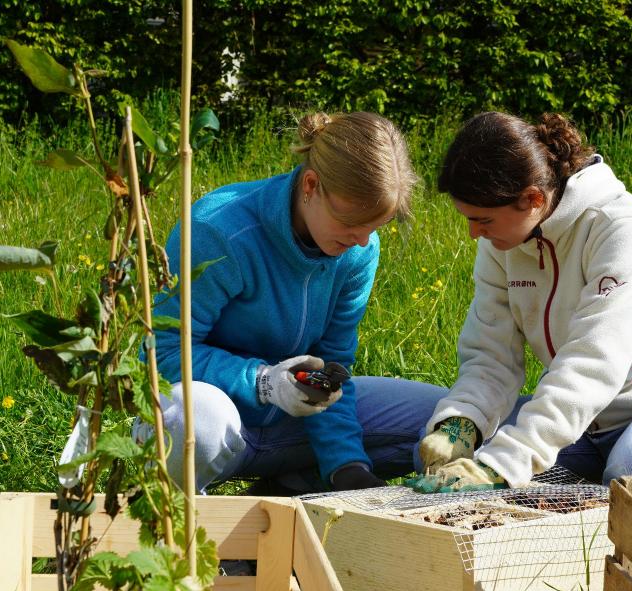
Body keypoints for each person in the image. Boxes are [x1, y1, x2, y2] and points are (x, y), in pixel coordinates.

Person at [408, 111, 632, 551]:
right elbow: (491, 356)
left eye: (483, 220)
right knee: (443, 460)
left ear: (533, 199)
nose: (472, 234)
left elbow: (592, 362)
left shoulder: (622, 230)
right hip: (583, 427)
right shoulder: (500, 243)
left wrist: (502, 464)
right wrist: (461, 423)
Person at [139, 111, 447, 494]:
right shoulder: (218, 231)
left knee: (442, 420)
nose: (363, 241)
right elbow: (160, 354)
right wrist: (263, 383)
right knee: (193, 417)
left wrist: (345, 464)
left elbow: (333, 366)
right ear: (311, 185)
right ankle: (178, 531)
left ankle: (293, 487)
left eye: (375, 227)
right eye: (351, 222)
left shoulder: (356, 249)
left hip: (293, 425)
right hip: (221, 421)